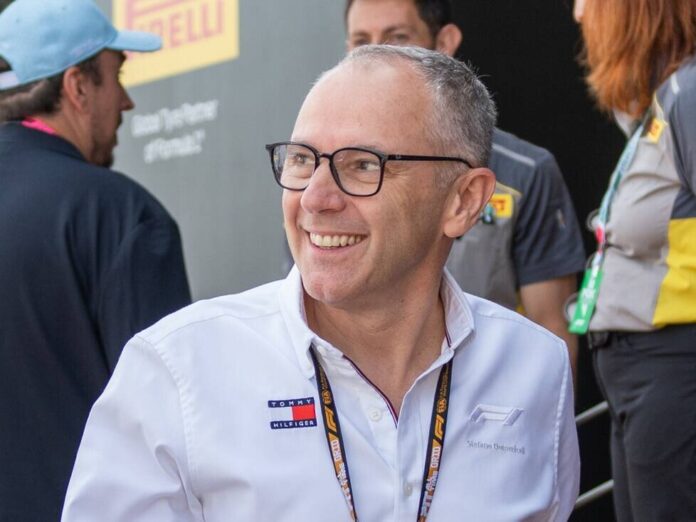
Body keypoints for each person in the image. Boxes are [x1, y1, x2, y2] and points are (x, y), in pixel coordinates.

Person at [62, 45, 579, 521]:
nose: (314, 198)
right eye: (302, 160)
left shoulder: (534, 367)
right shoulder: (178, 369)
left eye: (363, 165)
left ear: (462, 201)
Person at [0, 0, 191, 519]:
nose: (127, 101)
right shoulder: (120, 214)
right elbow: (171, 424)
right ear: (78, 87)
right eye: (117, 75)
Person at [345, 0, 586, 379]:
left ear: (444, 42)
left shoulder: (524, 173)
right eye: (362, 42)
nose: (377, 56)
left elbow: (551, 331)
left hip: (488, 400)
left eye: (398, 37)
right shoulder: (322, 173)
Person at [572, 0, 696, 520]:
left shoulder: (689, 93)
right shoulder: (665, 99)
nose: (579, 15)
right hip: (640, 371)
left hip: (674, 363)